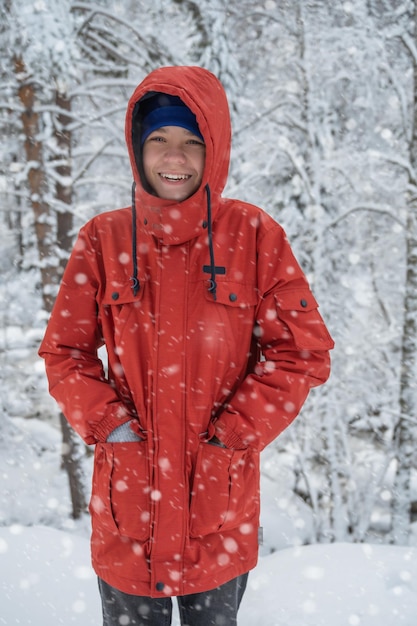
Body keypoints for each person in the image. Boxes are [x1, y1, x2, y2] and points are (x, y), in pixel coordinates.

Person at [39, 66, 334, 625]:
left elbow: (301, 353)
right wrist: (113, 428)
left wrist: (232, 437)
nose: (174, 158)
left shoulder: (253, 236)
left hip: (217, 517)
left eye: (191, 142)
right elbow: (65, 354)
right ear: (137, 147)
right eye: (159, 140)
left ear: (214, 149)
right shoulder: (102, 240)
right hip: (128, 515)